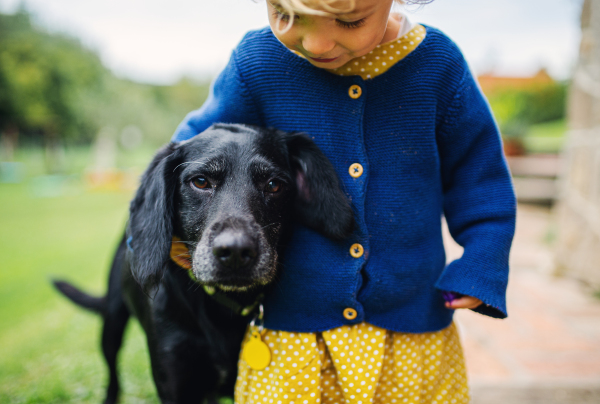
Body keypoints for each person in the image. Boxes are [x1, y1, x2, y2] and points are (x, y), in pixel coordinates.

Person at [172, 0, 516, 402]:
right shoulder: (259, 63)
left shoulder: (438, 66)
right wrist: (169, 232)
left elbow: (479, 176)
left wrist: (482, 261)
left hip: (410, 334)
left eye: (349, 21)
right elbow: (188, 152)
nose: (317, 44)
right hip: (294, 333)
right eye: (287, 16)